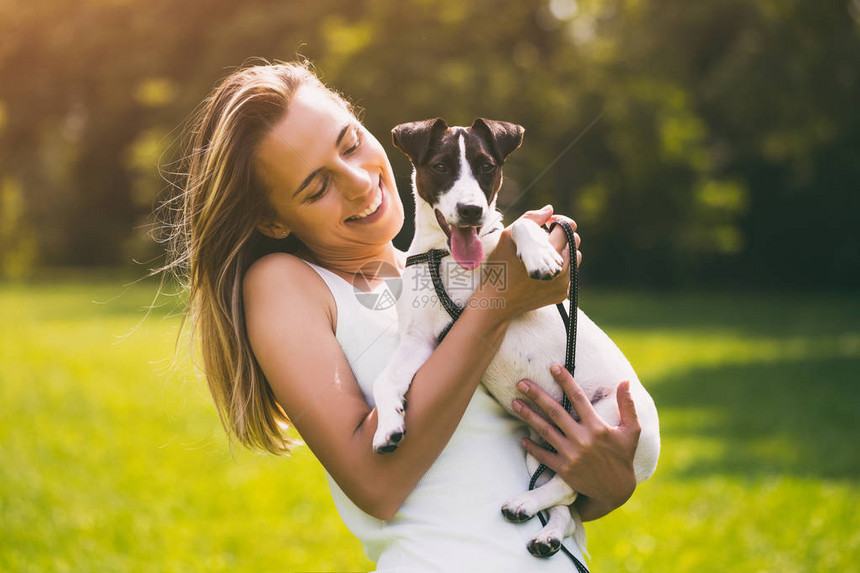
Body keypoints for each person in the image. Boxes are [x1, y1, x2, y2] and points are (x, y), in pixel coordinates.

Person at [163, 60, 642, 572]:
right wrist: (498, 303)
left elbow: (506, 461)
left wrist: (609, 484)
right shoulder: (284, 284)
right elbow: (376, 485)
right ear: (272, 221)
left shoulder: (444, 267)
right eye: (315, 187)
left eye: (349, 144)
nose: (357, 181)